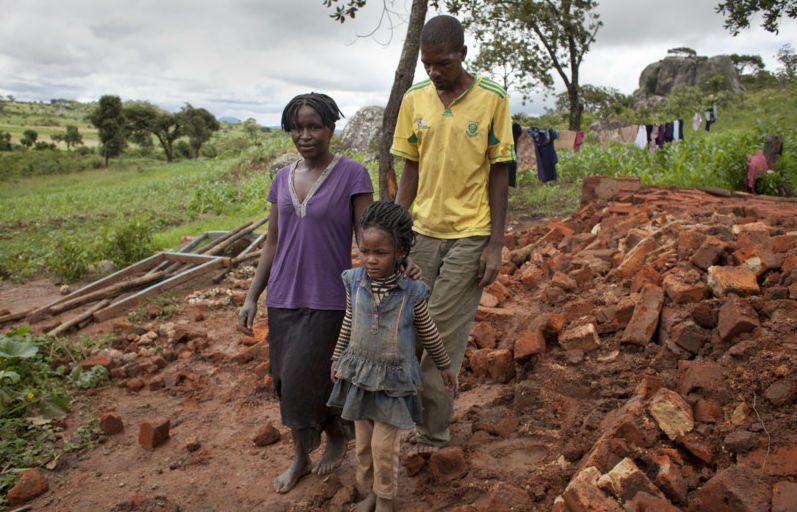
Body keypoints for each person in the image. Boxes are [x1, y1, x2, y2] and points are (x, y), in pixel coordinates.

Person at [237, 92, 374, 494]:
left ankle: (333, 432)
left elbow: (366, 239)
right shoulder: (281, 179)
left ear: (331, 128)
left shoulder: (353, 175)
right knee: (285, 380)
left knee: (316, 377)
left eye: (314, 126)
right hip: (283, 297)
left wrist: (381, 284)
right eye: (297, 127)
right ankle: (301, 453)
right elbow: (271, 243)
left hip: (330, 296)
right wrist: (252, 295)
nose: (305, 135)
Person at [391, 15, 515, 453]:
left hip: (470, 236)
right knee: (409, 330)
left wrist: (496, 245)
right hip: (422, 234)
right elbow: (410, 166)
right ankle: (413, 420)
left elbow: (500, 173)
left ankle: (432, 434)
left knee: (438, 336)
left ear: (463, 54)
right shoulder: (415, 98)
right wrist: (395, 232)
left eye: (442, 63)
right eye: (428, 64)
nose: (434, 72)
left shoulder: (492, 100)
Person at [328, 201, 457, 512]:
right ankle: (370, 493)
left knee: (383, 447)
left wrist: (444, 365)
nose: (370, 259)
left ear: (400, 253)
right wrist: (336, 357)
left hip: (393, 382)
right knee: (363, 448)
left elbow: (428, 332)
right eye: (364, 250)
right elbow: (349, 319)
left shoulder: (412, 292)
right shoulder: (353, 281)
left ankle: (386, 500)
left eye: (380, 253)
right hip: (359, 376)